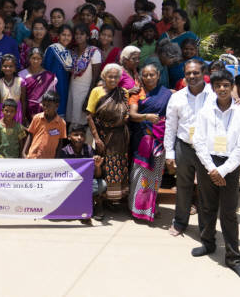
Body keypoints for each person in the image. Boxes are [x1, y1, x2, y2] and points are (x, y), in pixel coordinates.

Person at [191, 70, 240, 281]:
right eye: (218, 85)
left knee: (228, 212)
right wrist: (211, 168)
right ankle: (208, 244)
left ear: (232, 86)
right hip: (208, 162)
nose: (223, 89)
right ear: (213, 88)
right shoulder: (205, 112)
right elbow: (198, 141)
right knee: (207, 206)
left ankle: (233, 258)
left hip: (230, 165)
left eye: (227, 85)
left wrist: (223, 170)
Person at [164, 59, 214, 237]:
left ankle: (205, 228)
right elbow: (170, 126)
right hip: (184, 147)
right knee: (183, 186)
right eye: (188, 73)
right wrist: (169, 153)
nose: (192, 76)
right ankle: (179, 222)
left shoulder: (215, 95)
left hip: (207, 150)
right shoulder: (177, 97)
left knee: (206, 189)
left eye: (196, 73)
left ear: (203, 74)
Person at [127, 64, 172, 222]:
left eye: (152, 75)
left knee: (155, 176)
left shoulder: (168, 94)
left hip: (159, 141)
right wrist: (146, 117)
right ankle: (136, 208)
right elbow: (132, 114)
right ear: (141, 77)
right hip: (142, 140)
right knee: (139, 174)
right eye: (145, 75)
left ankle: (150, 207)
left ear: (158, 75)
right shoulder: (137, 94)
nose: (149, 78)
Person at [86, 63, 130, 204]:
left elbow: (126, 112)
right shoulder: (97, 91)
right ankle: (100, 200)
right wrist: (97, 139)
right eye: (110, 76)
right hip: (103, 136)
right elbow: (89, 116)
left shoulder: (124, 92)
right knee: (102, 165)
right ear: (104, 76)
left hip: (120, 137)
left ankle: (115, 200)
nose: (113, 79)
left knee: (118, 165)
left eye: (116, 77)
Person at [57, 124, 106, 220]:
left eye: (82, 135)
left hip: (85, 185)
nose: (79, 138)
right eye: (76, 135)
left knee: (102, 184)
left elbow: (97, 175)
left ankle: (96, 204)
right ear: (69, 137)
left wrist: (97, 166)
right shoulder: (64, 152)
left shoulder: (89, 150)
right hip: (69, 186)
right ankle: (79, 206)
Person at [66, 23, 102, 127]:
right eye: (76, 34)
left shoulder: (94, 52)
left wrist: (89, 98)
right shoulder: (73, 51)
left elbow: (95, 78)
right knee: (72, 122)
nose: (78, 36)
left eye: (82, 34)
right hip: (72, 90)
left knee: (83, 124)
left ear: (87, 36)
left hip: (86, 91)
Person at [22, 91, 67, 159]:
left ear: (56, 106)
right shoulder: (37, 118)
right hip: (33, 157)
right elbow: (30, 135)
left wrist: (56, 158)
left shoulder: (61, 123)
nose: (45, 107)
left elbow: (60, 143)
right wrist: (24, 152)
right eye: (44, 104)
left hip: (49, 160)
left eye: (48, 105)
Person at [18, 47, 57, 123]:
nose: (36, 61)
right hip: (25, 109)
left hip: (42, 110)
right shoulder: (22, 74)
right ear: (29, 59)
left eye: (39, 59)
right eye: (33, 58)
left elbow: (51, 98)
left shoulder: (49, 76)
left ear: (42, 60)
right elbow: (19, 96)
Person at [43, 25, 74, 118]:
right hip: (53, 86)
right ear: (58, 36)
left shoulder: (69, 52)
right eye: (63, 35)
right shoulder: (52, 49)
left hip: (64, 86)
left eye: (69, 35)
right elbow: (46, 69)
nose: (66, 37)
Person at [0, 54, 27, 124]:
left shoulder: (21, 81)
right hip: (3, 113)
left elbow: (23, 101)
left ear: (15, 68)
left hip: (17, 112)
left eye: (11, 66)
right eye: (5, 66)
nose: (8, 68)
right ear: (1, 68)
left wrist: (24, 116)